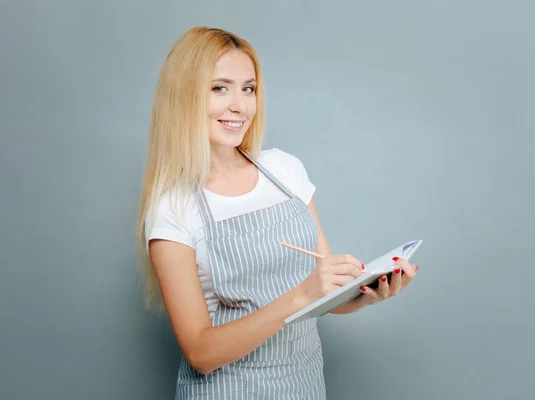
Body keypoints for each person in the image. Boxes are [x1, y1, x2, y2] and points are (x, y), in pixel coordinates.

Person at [136, 26, 418, 399]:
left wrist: (367, 292)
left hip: (303, 385)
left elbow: (324, 295)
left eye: (248, 88)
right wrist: (300, 295)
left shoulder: (285, 170)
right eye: (219, 87)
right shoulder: (173, 209)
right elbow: (200, 353)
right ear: (184, 96)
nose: (239, 105)